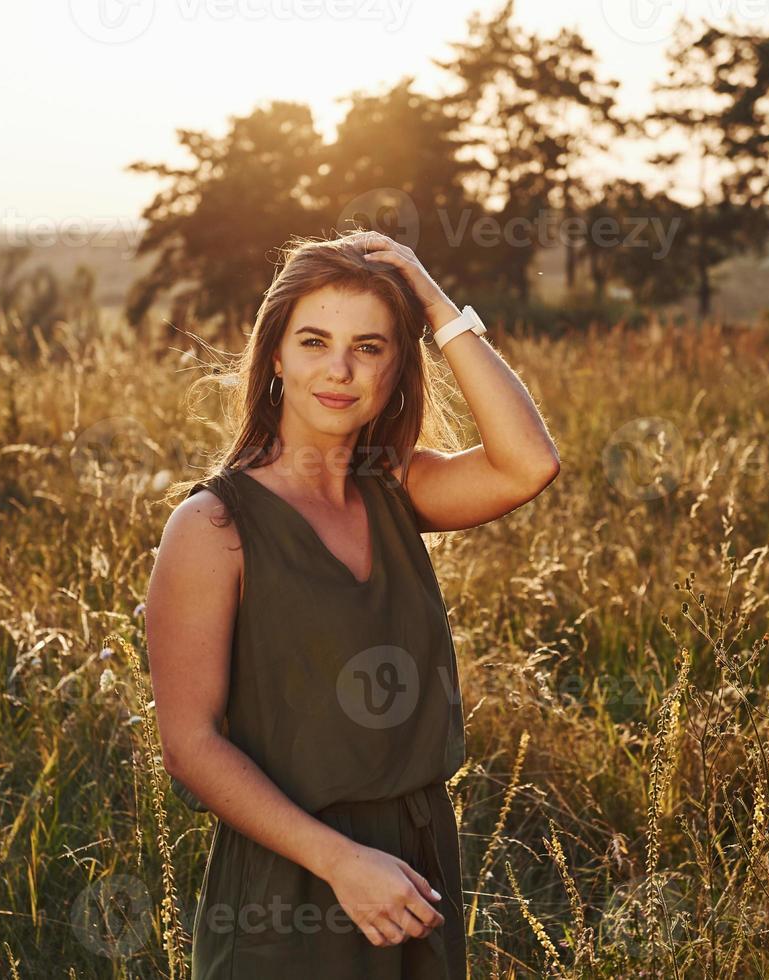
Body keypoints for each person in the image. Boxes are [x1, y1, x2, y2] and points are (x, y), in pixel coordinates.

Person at [145, 229, 560, 978]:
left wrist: (435, 305)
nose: (339, 370)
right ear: (275, 355)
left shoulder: (397, 488)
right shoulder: (214, 526)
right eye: (314, 341)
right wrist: (339, 863)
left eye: (369, 347)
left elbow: (529, 463)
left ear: (399, 364)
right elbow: (191, 744)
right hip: (290, 885)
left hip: (417, 864)